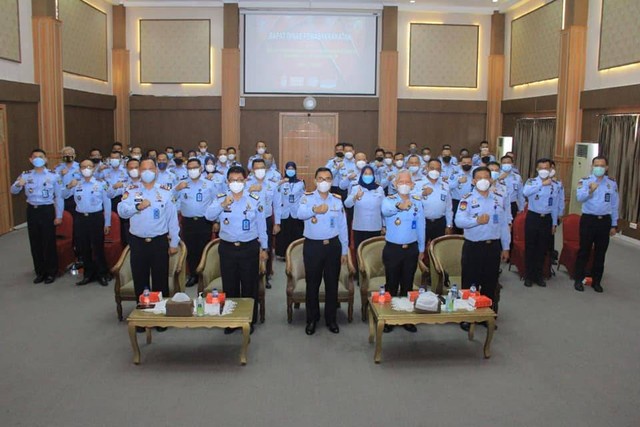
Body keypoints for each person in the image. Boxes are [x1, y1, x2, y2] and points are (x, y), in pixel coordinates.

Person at [117, 159, 180, 333]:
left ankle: (161, 318)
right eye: (142, 169)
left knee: (160, 281)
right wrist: (137, 207)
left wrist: (174, 242)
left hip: (159, 241)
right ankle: (143, 317)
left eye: (150, 168)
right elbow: (122, 211)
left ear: (156, 171)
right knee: (140, 280)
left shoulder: (165, 192)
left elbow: (172, 219)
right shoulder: (130, 190)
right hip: (137, 242)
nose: (146, 171)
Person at [205, 166, 269, 331]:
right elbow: (209, 216)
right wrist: (222, 205)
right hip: (227, 248)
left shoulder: (254, 199)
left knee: (249, 286)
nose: (236, 183)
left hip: (249, 247)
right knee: (230, 285)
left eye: (240, 180)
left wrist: (265, 248)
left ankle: (249, 320)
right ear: (227, 182)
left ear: (245, 181)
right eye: (233, 180)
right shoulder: (221, 198)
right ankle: (232, 320)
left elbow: (262, 226)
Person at [294, 167, 348, 336]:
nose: (324, 182)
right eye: (321, 178)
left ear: (332, 181)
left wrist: (344, 251)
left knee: (332, 285)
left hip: (333, 246)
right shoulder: (307, 198)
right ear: (315, 181)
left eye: (328, 179)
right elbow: (299, 214)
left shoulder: (337, 200)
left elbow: (343, 227)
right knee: (313, 284)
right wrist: (314, 210)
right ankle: (312, 319)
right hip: (313, 247)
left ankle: (331, 319)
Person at [455, 167, 510, 329]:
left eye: (486, 177)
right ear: (473, 181)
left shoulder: (499, 199)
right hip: (473, 247)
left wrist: (506, 247)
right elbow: (459, 221)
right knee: (470, 282)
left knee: (490, 283)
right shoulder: (466, 199)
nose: (483, 180)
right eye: (479, 178)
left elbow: (504, 225)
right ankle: (467, 317)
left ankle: (486, 317)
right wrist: (476, 221)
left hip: (493, 246)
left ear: (491, 180)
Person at [380, 170, 425, 333]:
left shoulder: (418, 202)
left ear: (412, 185)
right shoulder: (388, 200)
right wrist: (400, 205)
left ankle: (406, 318)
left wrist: (421, 248)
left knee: (407, 285)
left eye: (407, 182)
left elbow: (421, 226)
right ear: (395, 184)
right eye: (401, 182)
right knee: (391, 285)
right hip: (393, 249)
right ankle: (389, 319)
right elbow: (385, 211)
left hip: (411, 249)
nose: (404, 185)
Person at [10, 149, 64, 284]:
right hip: (32, 210)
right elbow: (13, 190)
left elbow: (59, 197)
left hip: (47, 210)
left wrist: (59, 215)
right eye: (35, 157)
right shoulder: (26, 175)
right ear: (30, 160)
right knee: (35, 242)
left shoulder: (53, 175)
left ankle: (51, 272)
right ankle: (40, 271)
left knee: (48, 241)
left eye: (41, 157)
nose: (38, 159)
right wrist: (18, 184)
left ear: (46, 160)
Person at [574, 156, 619, 293]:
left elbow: (614, 205)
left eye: (602, 165)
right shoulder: (585, 181)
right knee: (584, 251)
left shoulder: (612, 183)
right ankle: (578, 280)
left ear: (606, 168)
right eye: (596, 165)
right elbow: (579, 198)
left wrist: (614, 224)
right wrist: (590, 190)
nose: (599, 168)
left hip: (604, 221)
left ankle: (596, 281)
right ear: (592, 167)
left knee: (601, 253)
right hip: (589, 220)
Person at [63, 159, 111, 287]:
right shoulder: (76, 184)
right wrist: (68, 186)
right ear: (79, 170)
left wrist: (107, 223)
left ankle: (102, 273)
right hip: (80, 218)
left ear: (93, 168)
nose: (86, 169)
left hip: (96, 218)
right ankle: (88, 274)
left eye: (89, 166)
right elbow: (63, 195)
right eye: (83, 167)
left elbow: (107, 203)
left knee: (98, 247)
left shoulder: (101, 184)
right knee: (83, 247)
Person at [175, 158, 216, 288]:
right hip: (188, 222)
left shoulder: (209, 184)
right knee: (190, 249)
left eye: (195, 168)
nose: (192, 170)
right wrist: (176, 189)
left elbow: (216, 203)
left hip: (204, 222)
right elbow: (170, 199)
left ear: (201, 168)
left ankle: (204, 274)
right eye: (190, 168)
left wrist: (217, 221)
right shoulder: (182, 184)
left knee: (204, 249)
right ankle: (193, 274)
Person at [522, 158, 558, 288]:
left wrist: (554, 223)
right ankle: (528, 276)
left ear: (550, 169)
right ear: (537, 169)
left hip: (547, 219)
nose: (544, 170)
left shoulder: (555, 185)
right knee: (530, 247)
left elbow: (554, 206)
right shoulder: (532, 182)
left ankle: (539, 275)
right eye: (541, 168)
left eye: (546, 168)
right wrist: (542, 184)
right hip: (533, 217)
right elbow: (525, 192)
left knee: (542, 249)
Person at [247, 158, 281, 287]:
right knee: (252, 247)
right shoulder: (246, 184)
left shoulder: (272, 184)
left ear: (266, 170)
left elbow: (277, 205)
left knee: (266, 247)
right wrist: (249, 190)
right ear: (252, 170)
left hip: (266, 219)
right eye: (256, 168)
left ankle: (266, 275)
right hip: (250, 220)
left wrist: (277, 223)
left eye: (262, 168)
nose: (259, 170)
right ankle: (252, 274)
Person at [344, 165, 385, 256]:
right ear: (361, 175)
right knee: (360, 253)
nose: (368, 176)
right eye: (365, 174)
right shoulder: (356, 188)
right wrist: (355, 197)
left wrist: (384, 225)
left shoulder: (379, 189)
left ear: (374, 176)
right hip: (359, 227)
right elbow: (347, 204)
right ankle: (360, 270)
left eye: (370, 174)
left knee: (374, 254)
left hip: (375, 226)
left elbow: (383, 209)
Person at [275, 162, 305, 259]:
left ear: (295, 170)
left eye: (292, 168)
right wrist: (280, 183)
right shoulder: (281, 182)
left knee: (296, 234)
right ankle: (283, 254)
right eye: (288, 168)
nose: (290, 170)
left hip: (296, 213)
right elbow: (273, 193)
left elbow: (303, 197)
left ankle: (295, 255)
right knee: (284, 235)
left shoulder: (300, 183)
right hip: (284, 212)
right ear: (285, 170)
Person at [419, 159, 453, 242]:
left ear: (441, 170)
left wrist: (449, 225)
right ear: (427, 168)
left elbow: (449, 207)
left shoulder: (445, 185)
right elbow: (412, 201)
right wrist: (422, 194)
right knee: (420, 250)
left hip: (440, 223)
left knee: (439, 248)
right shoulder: (418, 184)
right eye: (432, 168)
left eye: (437, 169)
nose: (435, 171)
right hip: (422, 222)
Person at [450, 155, 474, 234]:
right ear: (460, 163)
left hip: (471, 202)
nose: (466, 164)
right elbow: (449, 186)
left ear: (472, 163)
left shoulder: (475, 173)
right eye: (464, 163)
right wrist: (458, 182)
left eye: (469, 162)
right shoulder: (455, 173)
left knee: (471, 222)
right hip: (456, 201)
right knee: (457, 224)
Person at [498, 155, 524, 221]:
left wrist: (521, 208)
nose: (506, 164)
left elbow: (520, 193)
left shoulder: (517, 177)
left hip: (512, 204)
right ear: (501, 164)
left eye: (508, 162)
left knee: (511, 227)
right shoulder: (496, 175)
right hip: (499, 204)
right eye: (504, 163)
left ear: (512, 164)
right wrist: (498, 179)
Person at [55, 146, 80, 213]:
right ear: (62, 156)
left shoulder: (80, 167)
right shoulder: (58, 168)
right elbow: (56, 183)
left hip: (78, 197)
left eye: (70, 153)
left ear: (74, 155)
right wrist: (61, 175)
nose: (68, 155)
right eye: (65, 154)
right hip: (64, 197)